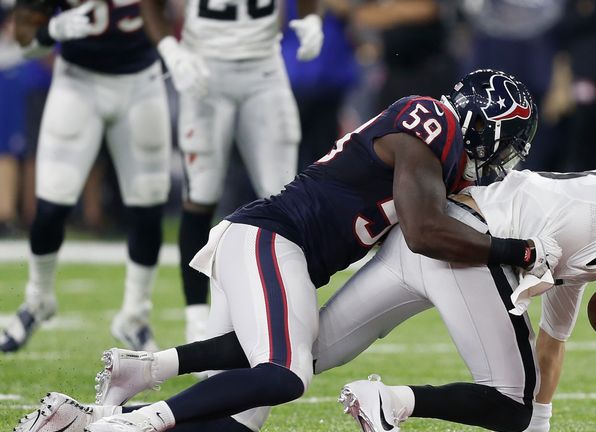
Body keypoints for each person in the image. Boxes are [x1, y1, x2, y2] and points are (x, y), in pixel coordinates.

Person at [13, 70, 551, 432]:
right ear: (482, 119)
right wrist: (520, 252)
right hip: (269, 239)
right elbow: (424, 232)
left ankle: (91, 412)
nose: (503, 154)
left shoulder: (441, 162)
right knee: (285, 374)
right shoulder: (429, 119)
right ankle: (134, 423)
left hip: (279, 257)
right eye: (507, 137)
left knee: (238, 421)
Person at [317, 142, 596, 432]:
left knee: (304, 355)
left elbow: (552, 342)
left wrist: (540, 425)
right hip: (473, 248)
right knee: (510, 403)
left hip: (432, 230)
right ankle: (391, 402)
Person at [140, 0, 325, 344]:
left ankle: (291, 310)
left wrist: (312, 19)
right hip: (204, 68)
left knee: (285, 196)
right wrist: (172, 51)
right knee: (201, 194)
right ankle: (196, 320)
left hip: (264, 70)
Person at [1, 0, 172, 353]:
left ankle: (135, 315)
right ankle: (37, 299)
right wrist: (52, 32)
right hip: (78, 80)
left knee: (148, 203)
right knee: (52, 202)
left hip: (142, 80)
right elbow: (24, 38)